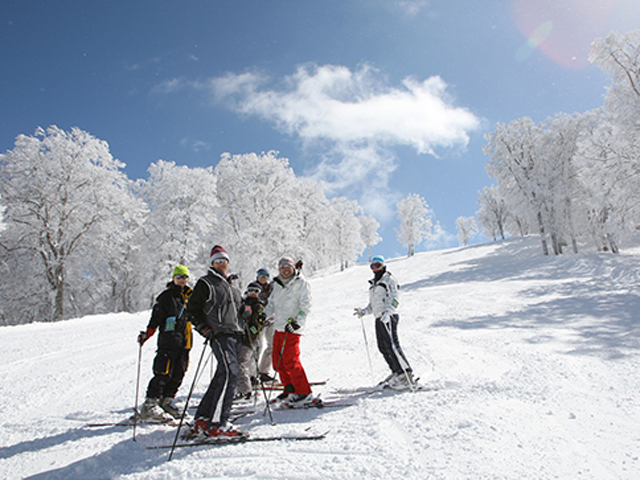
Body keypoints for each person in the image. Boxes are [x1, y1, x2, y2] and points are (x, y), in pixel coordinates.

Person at [186, 245, 247, 438]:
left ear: (228, 263)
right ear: (212, 263)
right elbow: (192, 310)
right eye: (217, 261)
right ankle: (218, 424)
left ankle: (203, 418)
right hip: (219, 334)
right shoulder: (206, 283)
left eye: (224, 261)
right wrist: (204, 329)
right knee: (230, 374)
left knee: (223, 374)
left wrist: (246, 313)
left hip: (236, 335)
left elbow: (239, 311)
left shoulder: (233, 286)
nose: (221, 264)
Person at [137, 265, 193, 421]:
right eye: (179, 277)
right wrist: (147, 334)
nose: (182, 280)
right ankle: (150, 405)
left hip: (185, 342)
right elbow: (156, 318)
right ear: (173, 278)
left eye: (184, 277)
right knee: (163, 372)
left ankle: (166, 401)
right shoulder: (166, 297)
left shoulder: (189, 296)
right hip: (168, 341)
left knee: (179, 372)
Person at [354, 255, 414, 390]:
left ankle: (405, 374)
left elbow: (395, 298)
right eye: (373, 266)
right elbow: (373, 304)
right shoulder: (374, 284)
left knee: (392, 345)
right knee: (382, 346)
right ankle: (396, 372)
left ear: (384, 266)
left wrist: (389, 311)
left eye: (378, 265)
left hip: (389, 316)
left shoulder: (389, 280)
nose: (375, 269)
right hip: (379, 318)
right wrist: (364, 311)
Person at [265, 257, 319, 407]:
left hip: (292, 328)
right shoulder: (276, 284)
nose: (285, 269)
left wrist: (297, 322)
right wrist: (264, 315)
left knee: (290, 360)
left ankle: (304, 392)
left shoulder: (301, 283)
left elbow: (306, 305)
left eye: (288, 266)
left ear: (293, 267)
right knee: (277, 360)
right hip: (279, 327)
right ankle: (290, 388)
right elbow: (271, 304)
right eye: (282, 267)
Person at [235, 282, 267, 400]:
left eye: (256, 291)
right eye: (251, 290)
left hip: (248, 340)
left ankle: (245, 390)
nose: (253, 293)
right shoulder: (242, 302)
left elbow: (258, 325)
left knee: (241, 363)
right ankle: (240, 387)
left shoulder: (259, 306)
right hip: (238, 338)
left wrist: (252, 327)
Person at [255, 268, 275, 382]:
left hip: (271, 320)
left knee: (272, 346)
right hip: (258, 322)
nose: (263, 278)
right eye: (261, 275)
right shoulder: (253, 287)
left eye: (265, 276)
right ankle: (252, 373)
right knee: (258, 346)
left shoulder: (272, 287)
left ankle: (264, 372)